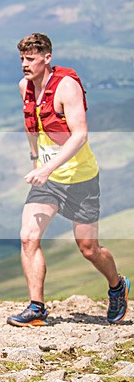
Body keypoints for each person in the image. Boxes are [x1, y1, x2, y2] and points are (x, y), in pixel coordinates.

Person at [8, 33, 128, 327]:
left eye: (31, 58)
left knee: (89, 248)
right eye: (22, 58)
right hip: (47, 180)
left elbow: (80, 135)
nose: (24, 64)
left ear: (47, 58)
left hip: (80, 179)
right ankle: (37, 308)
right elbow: (32, 125)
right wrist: (36, 158)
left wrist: (47, 169)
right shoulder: (24, 86)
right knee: (28, 237)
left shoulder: (66, 87)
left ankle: (117, 286)